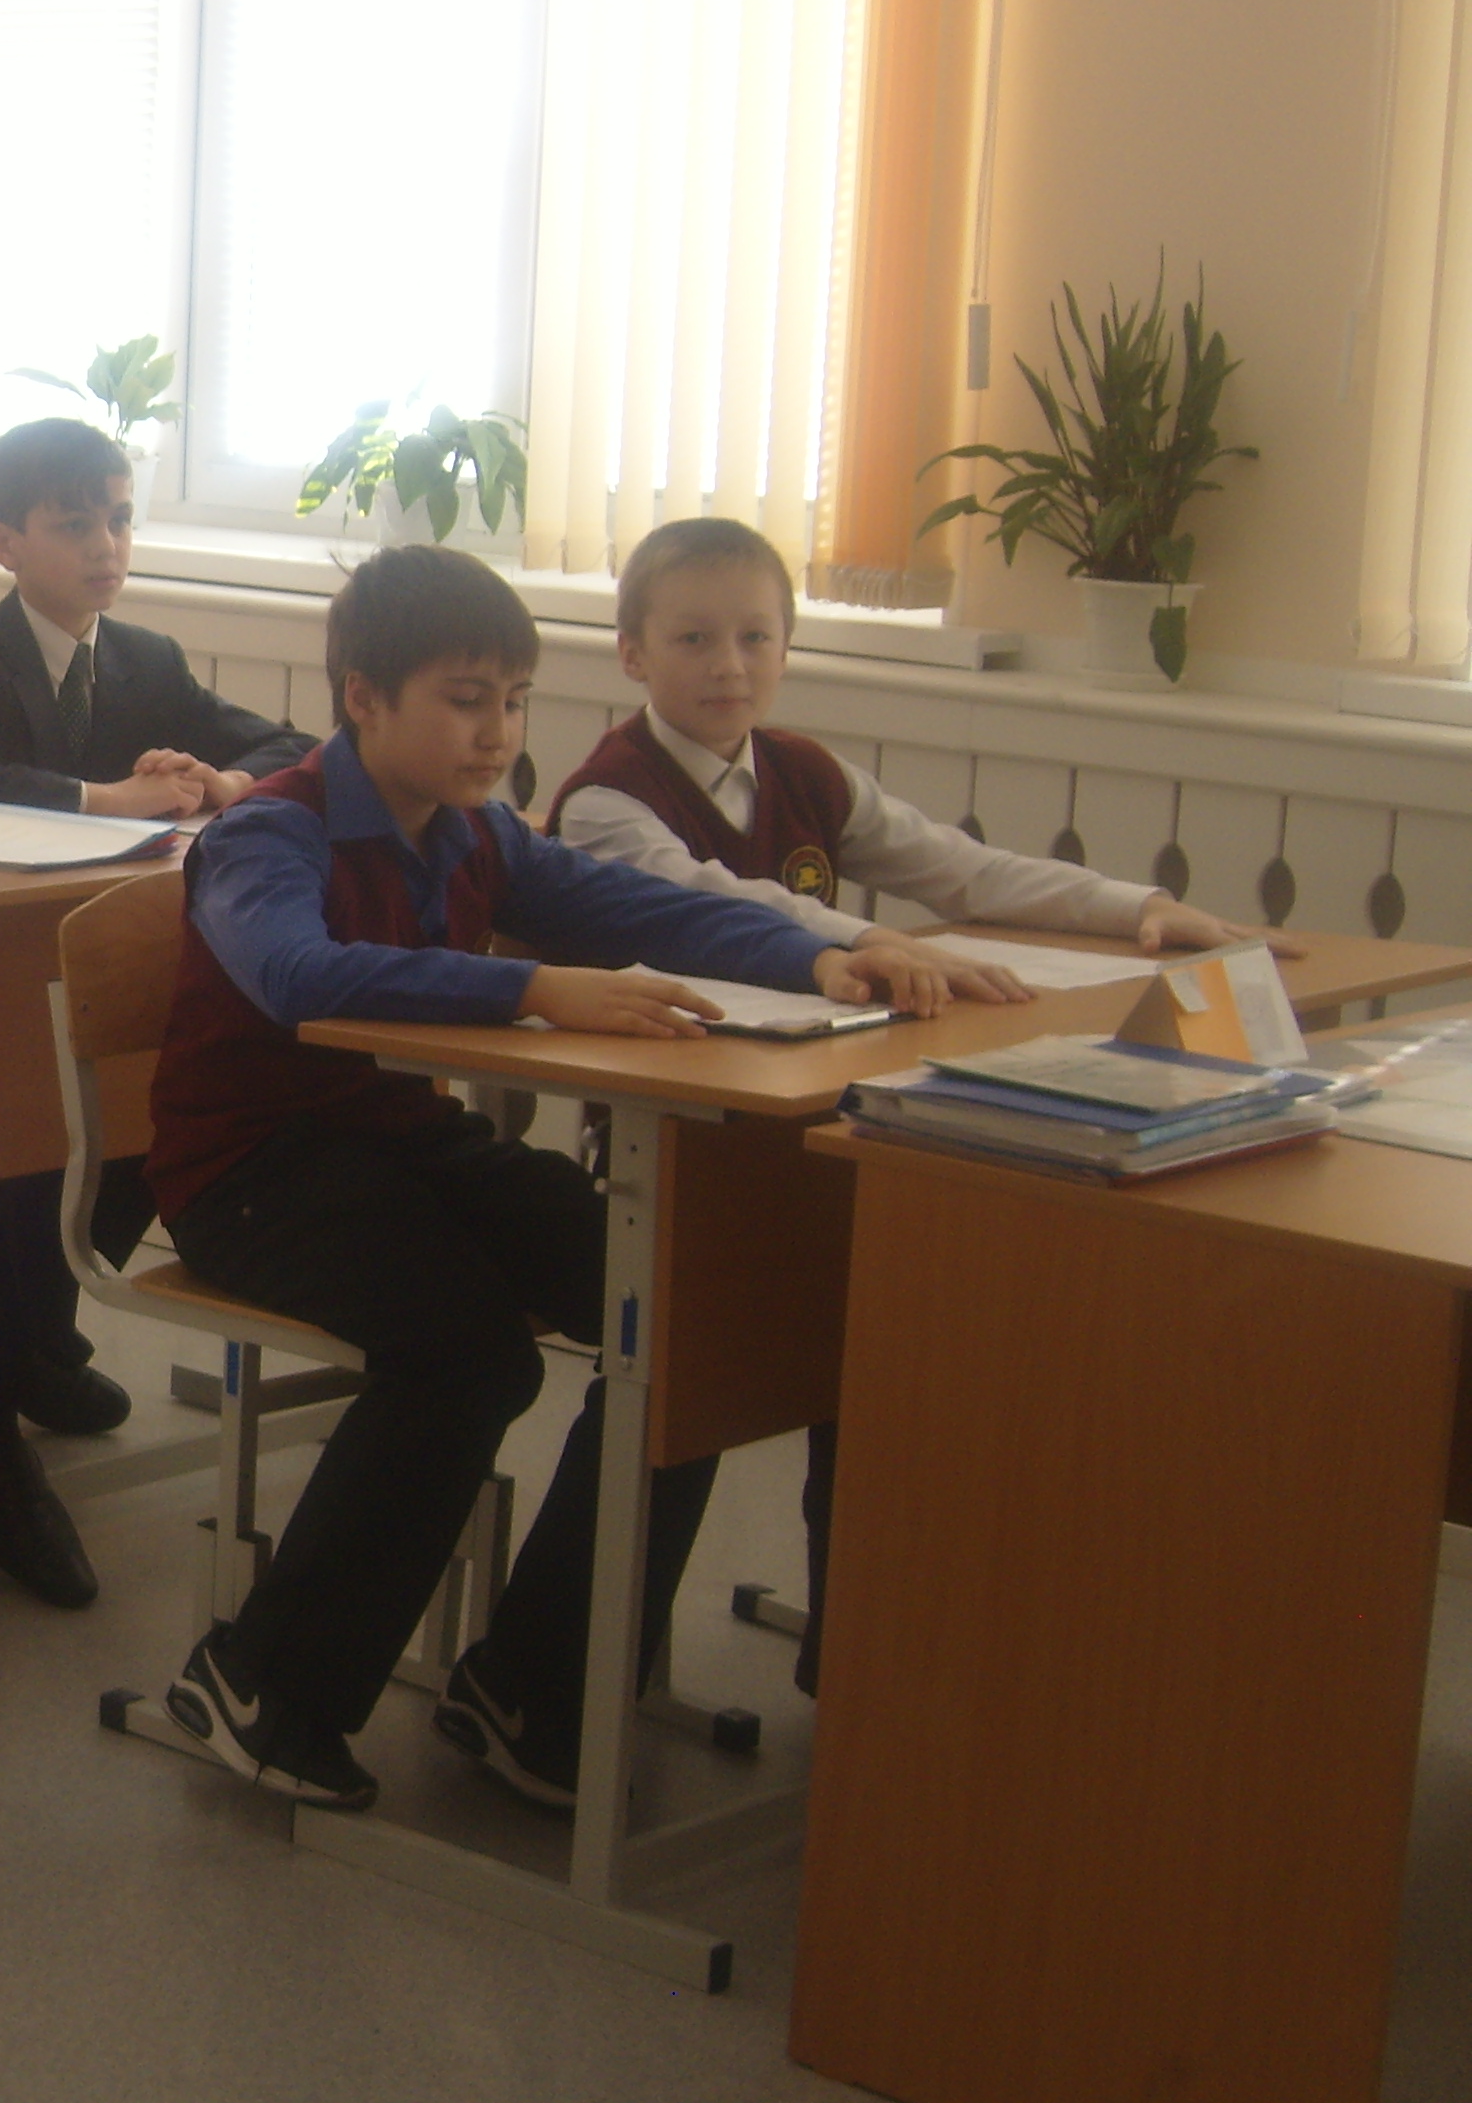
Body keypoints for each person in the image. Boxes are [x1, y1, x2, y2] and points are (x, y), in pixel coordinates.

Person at [140, 546, 947, 1810]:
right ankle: (261, 1683)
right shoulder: (270, 833)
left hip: (397, 1144)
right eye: (467, 701)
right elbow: (298, 976)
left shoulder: (477, 833)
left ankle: (531, 1689)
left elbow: (643, 911)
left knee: (683, 1313)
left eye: (515, 702)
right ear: (363, 699)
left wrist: (819, 959)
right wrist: (532, 987)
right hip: (252, 1167)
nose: (499, 733)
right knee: (470, 1354)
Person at [543, 512, 1300, 1688]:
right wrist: (876, 943)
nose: (730, 665)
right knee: (702, 1371)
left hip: (815, 1119)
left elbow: (963, 869)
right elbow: (731, 910)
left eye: (756, 636)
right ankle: (562, 1684)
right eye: (693, 639)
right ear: (633, 652)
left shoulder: (804, 771)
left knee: (887, 1340)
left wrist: (1143, 910)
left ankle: (858, 1666)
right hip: (679, 1140)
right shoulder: (606, 799)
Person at [0, 415, 312, 1604]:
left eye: (120, 520)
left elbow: (293, 744)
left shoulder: (146, 660)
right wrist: (105, 797)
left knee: (144, 1126)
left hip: (99, 979)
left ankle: (35, 1342)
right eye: (75, 525)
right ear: (4, 543)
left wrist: (226, 781)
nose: (106, 546)